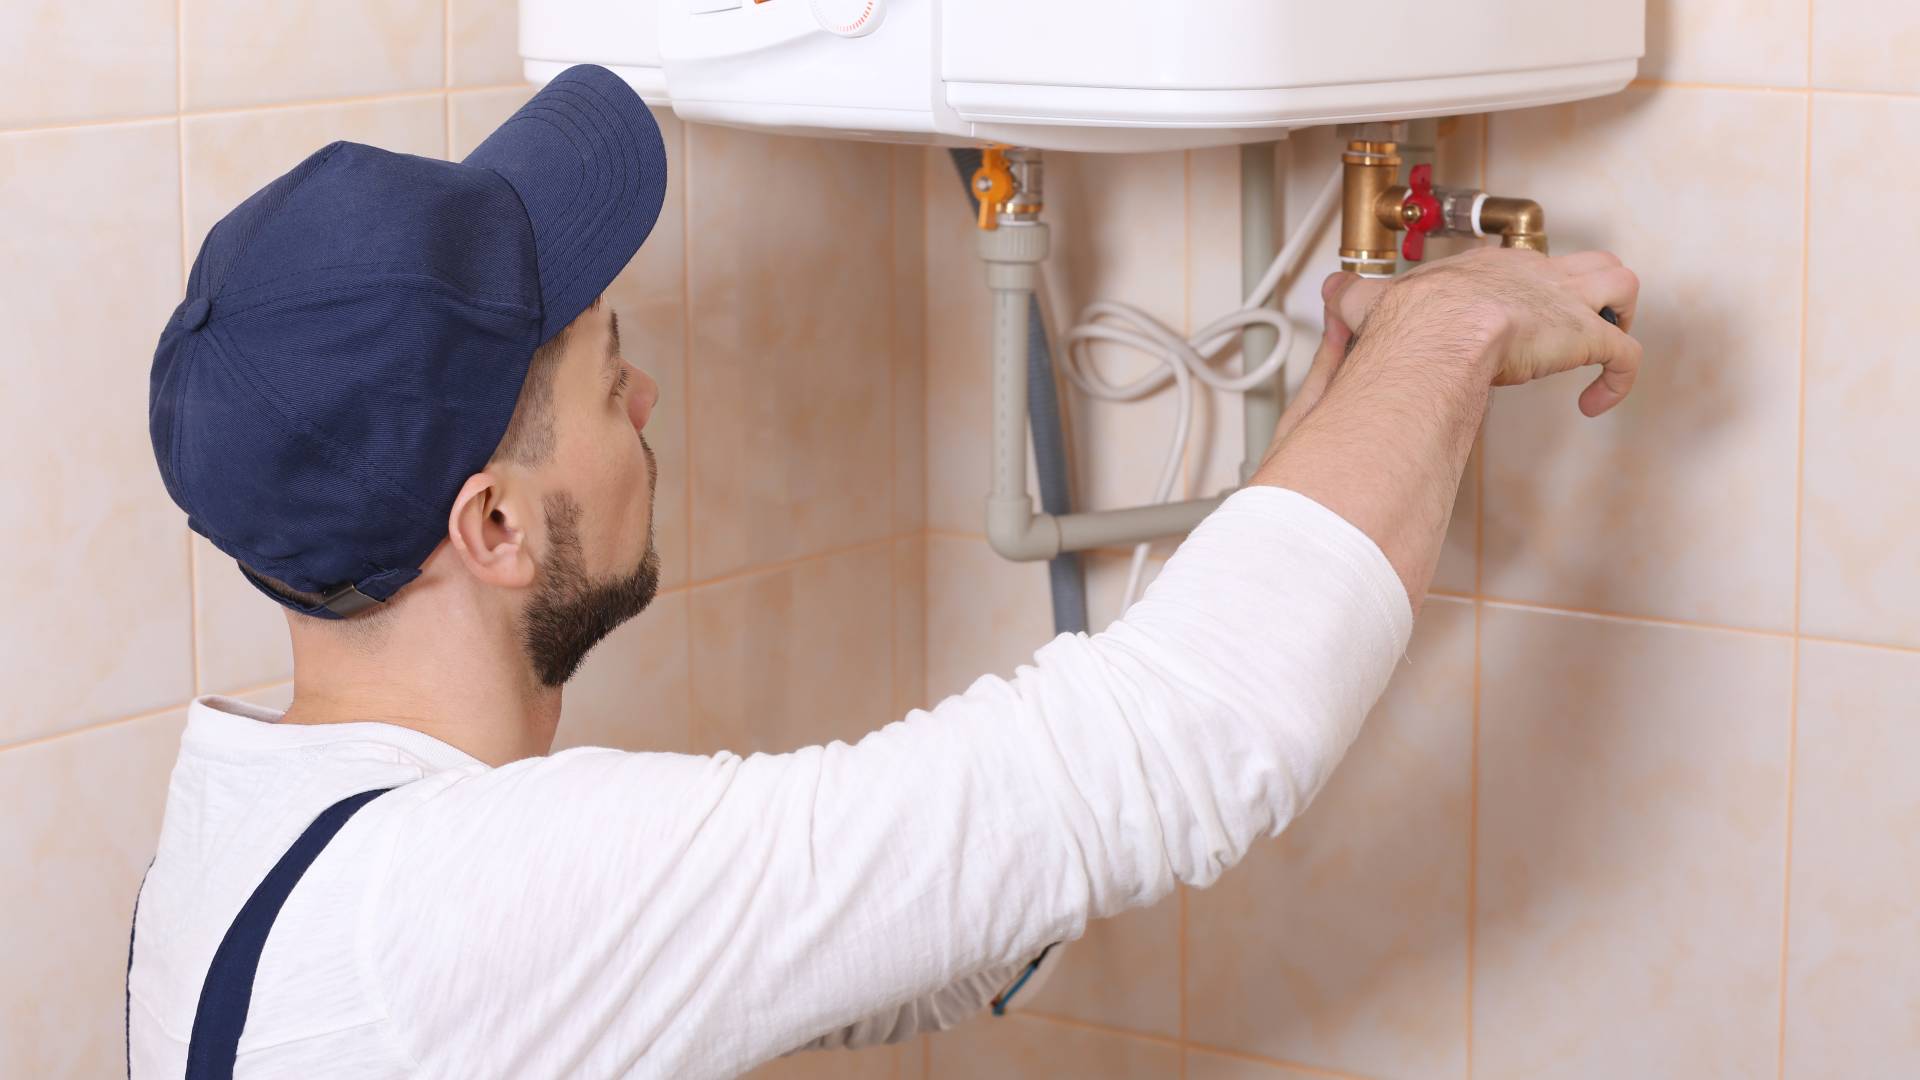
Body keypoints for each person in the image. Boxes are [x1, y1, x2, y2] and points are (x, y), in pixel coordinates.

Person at [126, 65, 1640, 1079]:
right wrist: (1455, 329)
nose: (648, 402)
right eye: (608, 374)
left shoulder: (260, 831)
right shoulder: (456, 909)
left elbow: (885, 934)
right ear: (497, 528)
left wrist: (1336, 431)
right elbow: (1195, 739)